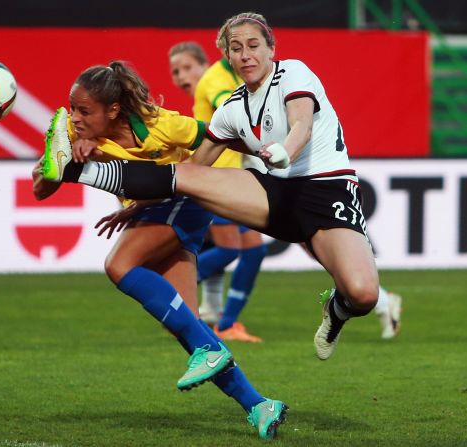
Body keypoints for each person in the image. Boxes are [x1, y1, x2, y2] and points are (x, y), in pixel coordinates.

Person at [38, 12, 382, 362]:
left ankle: (336, 311)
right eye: (236, 48)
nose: (246, 54)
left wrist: (284, 152)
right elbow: (190, 170)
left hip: (327, 190)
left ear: (270, 49)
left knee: (363, 294)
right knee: (187, 176)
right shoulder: (231, 110)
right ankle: (74, 171)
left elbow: (302, 125)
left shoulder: (293, 72)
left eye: (253, 45)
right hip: (272, 195)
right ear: (227, 57)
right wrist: (138, 206)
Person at [32, 61, 287, 440]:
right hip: (155, 211)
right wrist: (67, 160)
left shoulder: (160, 124)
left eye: (85, 111)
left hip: (185, 201)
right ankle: (259, 405)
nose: (76, 117)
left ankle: (217, 357)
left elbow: (215, 136)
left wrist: (273, 150)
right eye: (73, 108)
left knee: (119, 264)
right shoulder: (70, 132)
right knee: (189, 330)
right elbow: (40, 186)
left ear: (113, 110)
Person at [168, 41, 267, 343]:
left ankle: (225, 324)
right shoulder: (214, 81)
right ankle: (171, 297)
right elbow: (231, 109)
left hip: (232, 177)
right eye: (176, 71)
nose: (182, 76)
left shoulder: (230, 77)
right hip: (214, 179)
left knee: (254, 249)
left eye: (186, 67)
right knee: (228, 249)